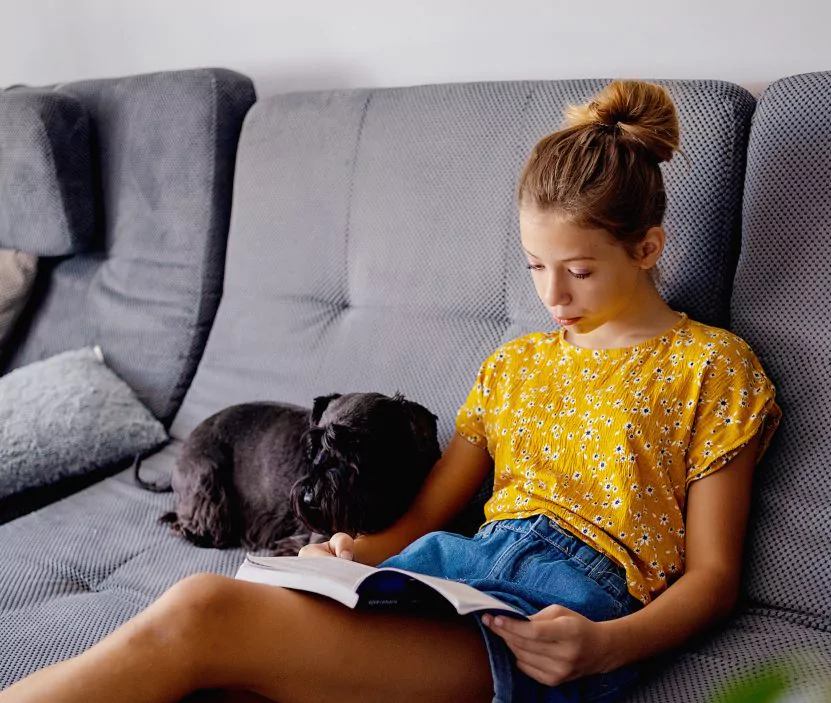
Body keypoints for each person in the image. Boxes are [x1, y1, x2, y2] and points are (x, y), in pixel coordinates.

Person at [0, 80, 781, 703]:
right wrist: (349, 553)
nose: (553, 293)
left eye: (579, 270)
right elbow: (429, 514)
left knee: (200, 613)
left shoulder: (712, 366)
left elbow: (713, 578)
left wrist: (609, 643)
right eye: (536, 265)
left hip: (570, 613)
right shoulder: (516, 365)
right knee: (221, 669)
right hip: (455, 574)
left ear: (647, 248)